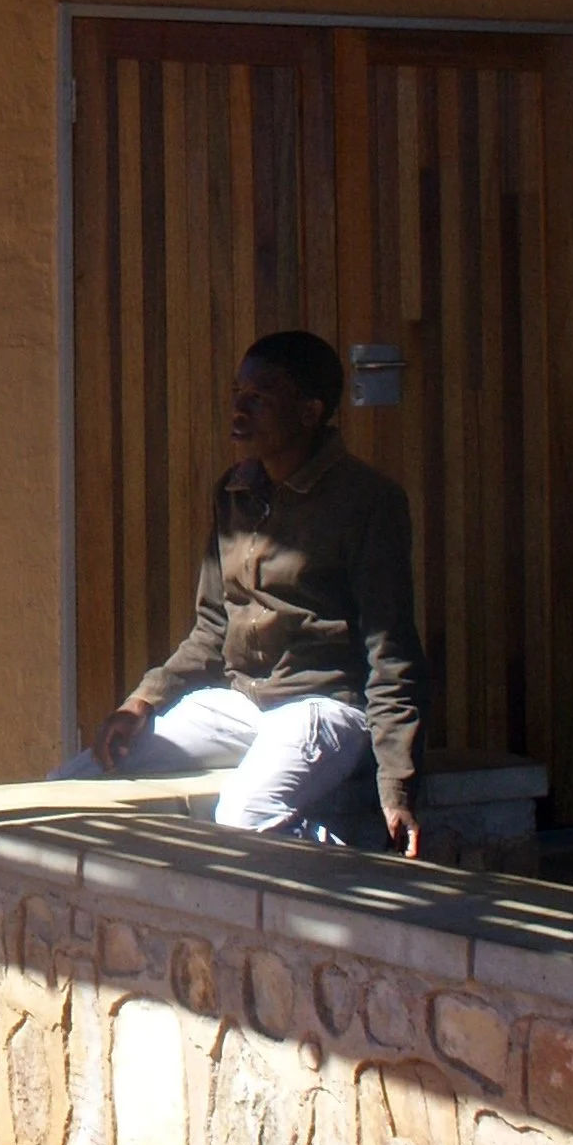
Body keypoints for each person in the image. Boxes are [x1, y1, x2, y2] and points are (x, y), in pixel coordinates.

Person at [58, 330, 425, 853]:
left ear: (308, 411)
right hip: (241, 704)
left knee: (242, 818)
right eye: (237, 393)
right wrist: (142, 702)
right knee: (73, 785)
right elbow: (212, 625)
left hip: (321, 706)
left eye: (259, 398)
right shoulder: (237, 490)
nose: (238, 408)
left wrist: (397, 784)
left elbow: (391, 652)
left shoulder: (367, 502)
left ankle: (327, 877)